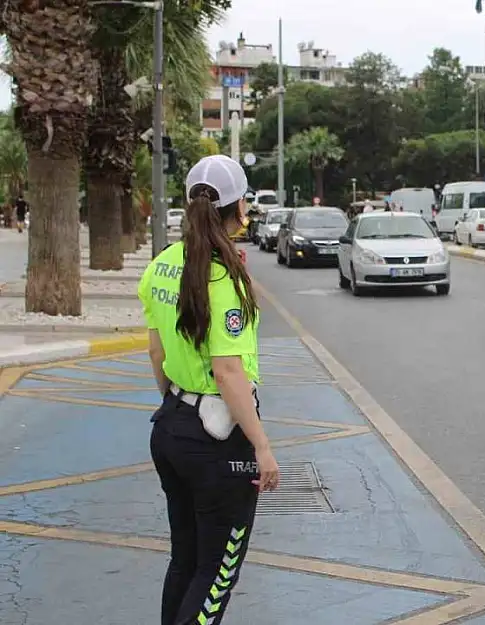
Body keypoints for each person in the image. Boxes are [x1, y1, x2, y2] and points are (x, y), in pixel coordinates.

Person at [139, 154, 280, 625]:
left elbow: (157, 354)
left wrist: (174, 405)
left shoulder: (161, 266)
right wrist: (261, 446)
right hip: (218, 441)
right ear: (239, 207)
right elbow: (228, 372)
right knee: (216, 573)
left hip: (172, 427)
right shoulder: (223, 276)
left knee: (185, 560)